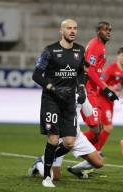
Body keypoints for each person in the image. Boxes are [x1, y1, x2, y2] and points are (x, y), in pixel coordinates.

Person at [32, 19, 86, 187]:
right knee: (54, 139)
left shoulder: (80, 50)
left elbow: (80, 73)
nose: (72, 31)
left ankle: (42, 161)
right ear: (61, 31)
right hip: (52, 100)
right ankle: (47, 177)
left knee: (69, 142)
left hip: (69, 102)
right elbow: (36, 74)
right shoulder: (50, 50)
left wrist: (82, 88)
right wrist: (53, 88)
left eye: (75, 28)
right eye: (69, 28)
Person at [29, 96, 103, 180]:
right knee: (55, 177)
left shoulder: (81, 90)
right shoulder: (59, 89)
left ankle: (74, 170)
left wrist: (84, 99)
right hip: (59, 136)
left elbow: (88, 112)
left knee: (98, 163)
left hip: (76, 135)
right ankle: (39, 162)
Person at [82, 21, 118, 149]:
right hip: (87, 90)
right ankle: (65, 145)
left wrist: (106, 89)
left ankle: (91, 157)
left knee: (99, 129)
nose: (109, 32)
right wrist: (105, 89)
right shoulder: (95, 46)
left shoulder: (100, 46)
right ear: (98, 32)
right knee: (96, 130)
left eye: (110, 29)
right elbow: (90, 71)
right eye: (105, 29)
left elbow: (95, 72)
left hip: (93, 90)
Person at [94, 47, 123, 151]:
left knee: (99, 128)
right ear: (118, 56)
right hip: (102, 99)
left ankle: (91, 149)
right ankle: (97, 150)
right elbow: (100, 82)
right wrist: (110, 89)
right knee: (108, 127)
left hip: (110, 101)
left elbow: (122, 84)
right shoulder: (111, 68)